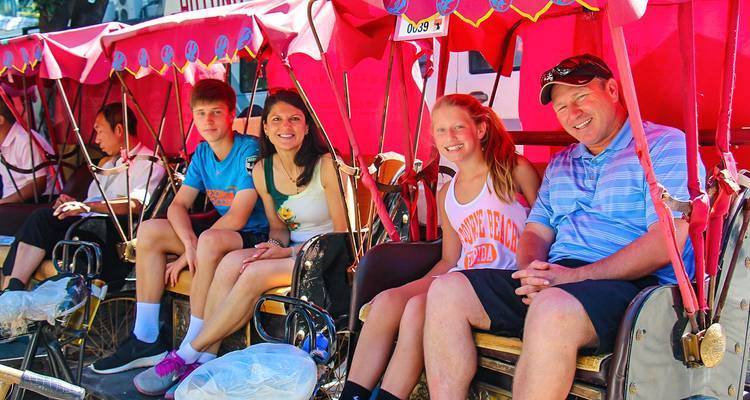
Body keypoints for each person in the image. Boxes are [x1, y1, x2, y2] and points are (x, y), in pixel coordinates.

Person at [422, 54, 703, 399]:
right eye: (562, 107)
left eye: (581, 97)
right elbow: (536, 232)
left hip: (635, 287)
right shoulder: (562, 163)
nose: (574, 114)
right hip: (559, 279)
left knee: (551, 307)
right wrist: (531, 273)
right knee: (446, 291)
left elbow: (666, 243)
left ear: (613, 90)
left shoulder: (663, 146)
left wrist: (570, 279)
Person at [132, 89, 350, 397]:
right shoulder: (263, 170)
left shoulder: (327, 164)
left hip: (325, 254)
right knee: (236, 262)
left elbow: (341, 234)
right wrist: (270, 247)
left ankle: (187, 353)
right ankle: (207, 360)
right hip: (289, 251)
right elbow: (278, 228)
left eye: (293, 119)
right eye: (276, 119)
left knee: (253, 273)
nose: (284, 126)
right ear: (266, 127)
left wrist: (284, 251)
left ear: (306, 126)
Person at [340, 94, 541, 400]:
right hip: (458, 277)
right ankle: (352, 395)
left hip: (499, 283)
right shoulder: (448, 193)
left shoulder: (511, 170)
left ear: (481, 129)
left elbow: (547, 224)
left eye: (459, 127)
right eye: (441, 130)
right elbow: (450, 258)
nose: (451, 138)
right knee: (388, 302)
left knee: (416, 310)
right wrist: (414, 287)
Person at [90, 79, 269, 375]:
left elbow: (238, 218)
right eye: (201, 113)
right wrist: (188, 242)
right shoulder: (201, 154)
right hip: (216, 234)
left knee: (208, 240)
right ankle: (146, 337)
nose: (208, 121)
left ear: (231, 114)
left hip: (252, 235)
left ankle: (192, 345)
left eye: (216, 112)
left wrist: (189, 255)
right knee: (149, 231)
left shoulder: (248, 150)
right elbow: (178, 205)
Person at [1, 103, 165, 289]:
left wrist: (87, 207)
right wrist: (74, 204)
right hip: (89, 222)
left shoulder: (149, 162)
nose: (96, 140)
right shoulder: (110, 162)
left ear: (119, 129)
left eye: (99, 131)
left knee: (42, 220)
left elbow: (137, 204)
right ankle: (10, 290)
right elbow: (92, 200)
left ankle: (12, 289)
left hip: (113, 232)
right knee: (42, 218)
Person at [0, 99, 54, 205]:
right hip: (10, 203)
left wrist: (3, 202)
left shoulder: (24, 139)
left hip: (39, 202)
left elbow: (38, 184)